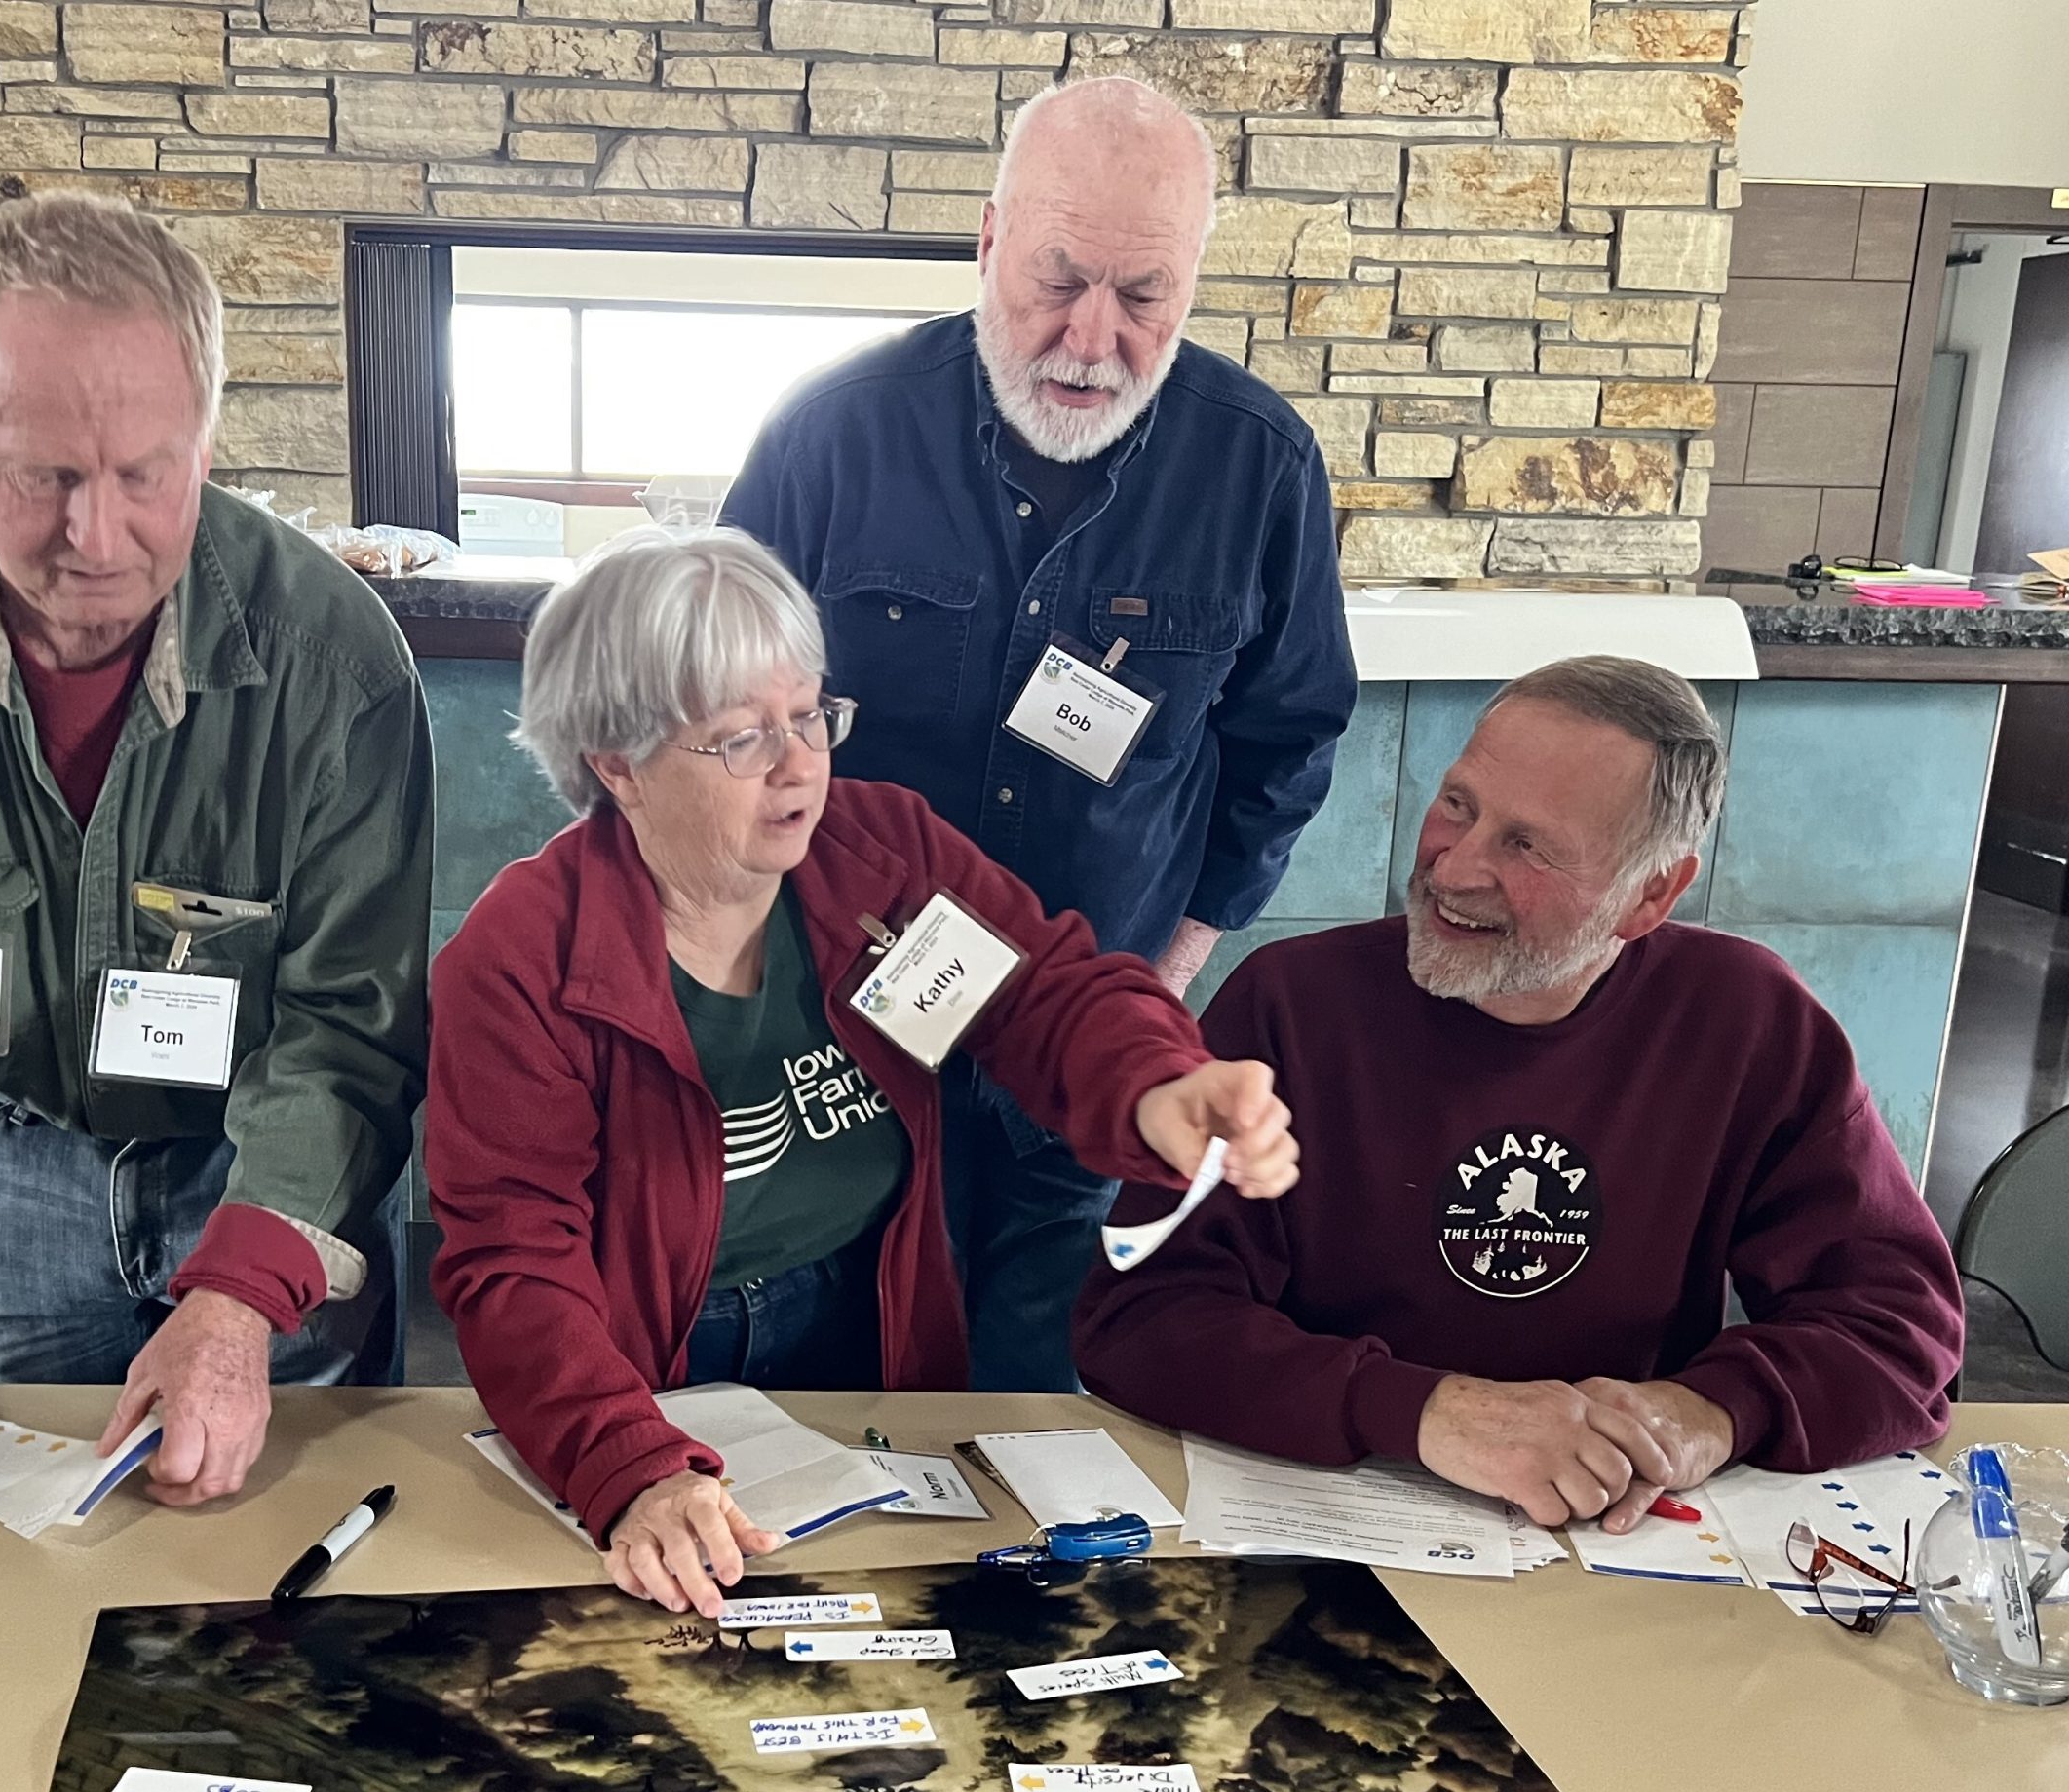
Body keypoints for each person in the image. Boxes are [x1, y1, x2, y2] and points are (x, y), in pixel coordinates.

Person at [425, 527, 1299, 1616]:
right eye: (742, 738)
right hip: (642, 1356)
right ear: (617, 761)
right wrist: (624, 1460)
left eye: (811, 715)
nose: (801, 765)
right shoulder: (523, 954)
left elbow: (1047, 992)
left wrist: (1159, 1082)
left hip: (870, 1319)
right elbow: (512, 1254)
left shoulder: (877, 854)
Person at [0, 192, 433, 1506]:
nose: (94, 538)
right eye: (42, 475)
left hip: (263, 1164)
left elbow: (348, 1022)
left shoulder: (336, 660)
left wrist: (237, 1300)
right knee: (3, 1562)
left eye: (144, 473)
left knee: (276, 1578)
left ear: (207, 442)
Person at [724, 74, 1356, 1392]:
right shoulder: (832, 433)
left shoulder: (1260, 465)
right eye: (1059, 278)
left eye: (1145, 297)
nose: (1091, 335)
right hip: (842, 1031)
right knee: (833, 1386)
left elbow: (1284, 745)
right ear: (989, 239)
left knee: (1036, 1403)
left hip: (1085, 1034)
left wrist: (1165, 972)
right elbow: (713, 713)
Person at [1073, 656, 1967, 1532]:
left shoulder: (1751, 1022)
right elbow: (1141, 1318)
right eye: (1457, 804)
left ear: (1650, 895)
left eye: (1527, 845)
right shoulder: (1290, 1005)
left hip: (1617, 1537)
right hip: (1330, 1524)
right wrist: (1421, 1411)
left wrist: (1709, 1412)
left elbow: (1904, 1330)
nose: (1454, 869)